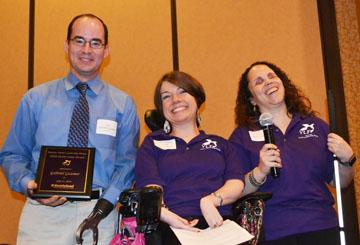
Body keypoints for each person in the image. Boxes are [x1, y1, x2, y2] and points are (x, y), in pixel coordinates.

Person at [0, 13, 140, 244]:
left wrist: (104, 206)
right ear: (66, 46)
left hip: (100, 218)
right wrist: (30, 186)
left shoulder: (123, 105)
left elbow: (127, 163)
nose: (87, 49)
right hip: (42, 217)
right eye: (79, 40)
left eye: (96, 43)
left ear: (106, 51)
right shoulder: (35, 99)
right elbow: (12, 155)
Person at [229, 61, 356, 245]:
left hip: (321, 226)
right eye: (259, 81)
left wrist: (348, 159)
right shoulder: (242, 136)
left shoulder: (316, 126)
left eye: (272, 76)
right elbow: (235, 190)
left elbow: (339, 181)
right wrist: (260, 171)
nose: (268, 82)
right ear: (251, 99)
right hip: (273, 232)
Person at [135, 71, 245, 244]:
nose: (175, 100)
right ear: (161, 108)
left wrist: (210, 201)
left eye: (182, 91)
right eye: (166, 96)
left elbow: (236, 183)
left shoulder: (221, 144)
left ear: (197, 99)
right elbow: (151, 188)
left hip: (219, 223)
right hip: (171, 225)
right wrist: (167, 215)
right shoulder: (152, 143)